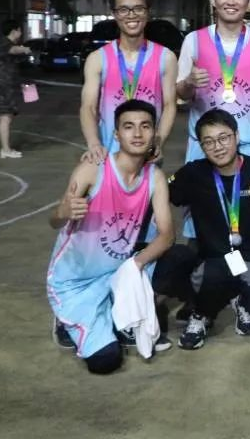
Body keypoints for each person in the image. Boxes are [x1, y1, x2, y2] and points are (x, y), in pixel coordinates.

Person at [46, 100, 174, 375]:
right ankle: (66, 320)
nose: (137, 133)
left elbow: (167, 235)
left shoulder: (155, 177)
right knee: (106, 361)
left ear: (154, 133)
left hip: (116, 274)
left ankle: (119, 315)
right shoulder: (93, 169)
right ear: (116, 134)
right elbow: (54, 220)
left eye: (145, 126)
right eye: (128, 127)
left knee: (180, 258)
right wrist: (63, 212)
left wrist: (135, 265)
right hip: (76, 282)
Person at [169, 109, 250, 350]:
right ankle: (201, 314)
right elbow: (161, 193)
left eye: (224, 138)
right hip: (214, 260)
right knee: (209, 272)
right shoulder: (193, 173)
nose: (218, 147)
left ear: (237, 136)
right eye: (209, 142)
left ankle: (241, 299)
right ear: (201, 146)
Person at [176, 0, 250, 165]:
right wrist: (189, 82)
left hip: (249, 145)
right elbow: (181, 94)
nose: (231, 2)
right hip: (204, 146)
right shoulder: (194, 40)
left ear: (249, 2)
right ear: (213, 0)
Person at [80, 0, 177, 163]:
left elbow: (170, 105)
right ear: (114, 14)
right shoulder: (97, 59)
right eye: (123, 9)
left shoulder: (166, 57)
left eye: (138, 8)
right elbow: (88, 107)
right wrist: (93, 144)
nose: (131, 15)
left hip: (148, 157)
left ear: (148, 12)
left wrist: (158, 141)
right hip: (109, 155)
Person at [0, 19, 32, 158]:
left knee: (6, 117)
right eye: (20, 30)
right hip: (3, 87)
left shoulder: (8, 44)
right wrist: (24, 49)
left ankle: (6, 148)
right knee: (5, 118)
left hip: (9, 86)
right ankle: (6, 150)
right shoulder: (4, 44)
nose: (21, 33)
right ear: (14, 31)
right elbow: (13, 50)